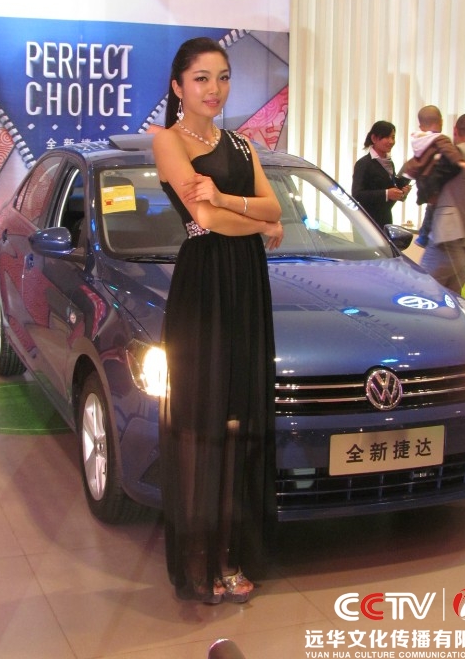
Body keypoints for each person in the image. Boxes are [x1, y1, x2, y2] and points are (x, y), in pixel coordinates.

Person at [152, 37, 283, 605]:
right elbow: (203, 221)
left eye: (223, 77)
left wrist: (230, 202)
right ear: (178, 86)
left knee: (242, 416)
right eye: (201, 78)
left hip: (248, 284)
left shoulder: (242, 144)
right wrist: (252, 217)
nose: (214, 89)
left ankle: (234, 554)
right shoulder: (167, 141)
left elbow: (275, 209)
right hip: (205, 285)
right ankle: (200, 560)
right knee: (202, 420)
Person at [420, 113, 465, 294]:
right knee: (451, 301)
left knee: (422, 294)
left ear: (455, 130)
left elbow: (428, 188)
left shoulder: (455, 154)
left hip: (447, 239)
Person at [399, 105, 465, 248]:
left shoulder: (418, 138)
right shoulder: (440, 139)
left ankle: (423, 236)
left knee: (431, 207)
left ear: (421, 126)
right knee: (434, 208)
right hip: (432, 179)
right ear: (441, 121)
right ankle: (425, 235)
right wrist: (460, 161)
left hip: (422, 178)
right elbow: (449, 150)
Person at [351, 120, 412, 229]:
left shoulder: (389, 162)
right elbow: (357, 194)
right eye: (386, 137)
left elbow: (389, 188)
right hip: (367, 222)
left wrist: (401, 193)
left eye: (393, 137)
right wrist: (386, 194)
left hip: (385, 220)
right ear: (374, 138)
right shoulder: (363, 163)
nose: (391, 141)